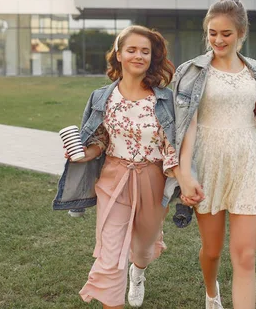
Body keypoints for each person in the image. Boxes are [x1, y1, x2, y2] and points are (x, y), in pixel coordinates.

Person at [169, 0, 256, 309]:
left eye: (226, 33)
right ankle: (212, 291)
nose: (217, 39)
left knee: (245, 255)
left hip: (250, 161)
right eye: (212, 32)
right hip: (209, 161)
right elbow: (185, 127)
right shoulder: (192, 72)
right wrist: (183, 174)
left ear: (241, 34)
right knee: (212, 250)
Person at [53, 25, 178, 308]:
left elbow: (173, 144)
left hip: (153, 180)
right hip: (113, 179)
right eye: (131, 50)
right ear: (118, 55)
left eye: (145, 51)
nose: (139, 56)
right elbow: (100, 140)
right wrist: (84, 154)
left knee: (143, 249)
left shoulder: (166, 99)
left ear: (151, 57)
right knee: (110, 256)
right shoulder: (102, 97)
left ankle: (139, 272)